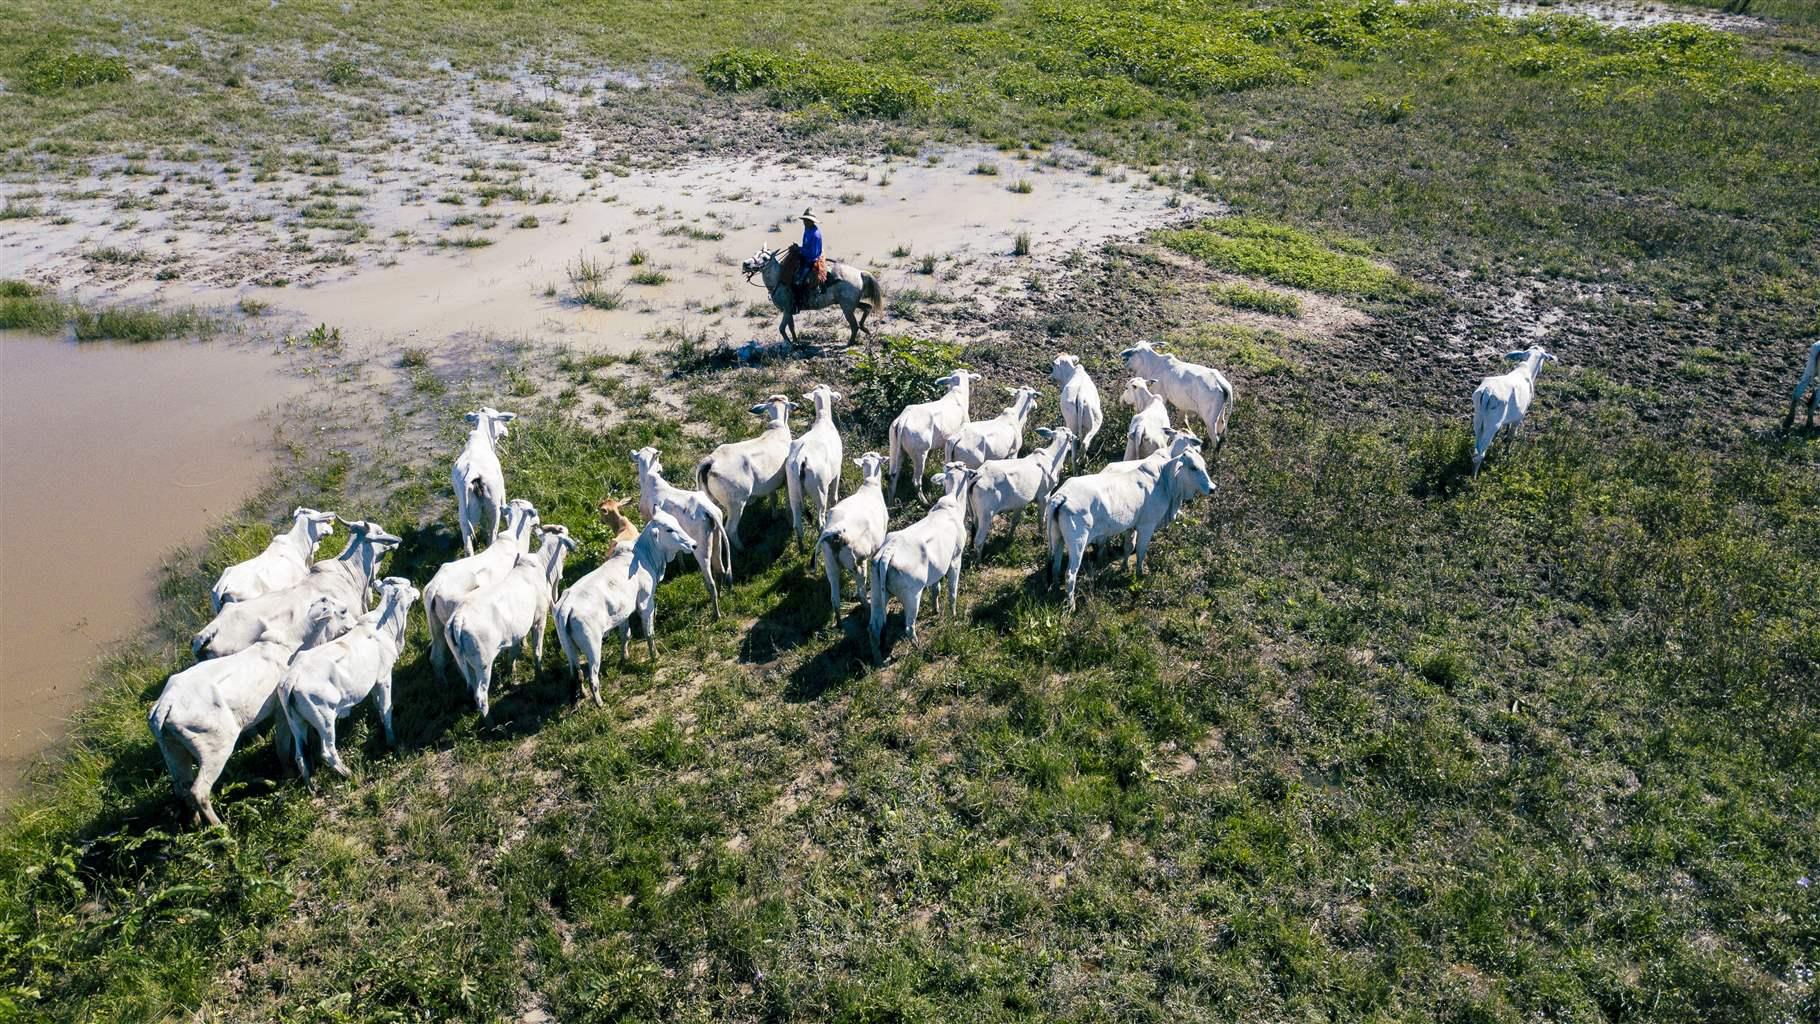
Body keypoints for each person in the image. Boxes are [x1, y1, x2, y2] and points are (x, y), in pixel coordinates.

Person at [795, 208, 823, 304]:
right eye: (804, 220)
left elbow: (813, 254)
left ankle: (802, 299)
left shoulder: (815, 235)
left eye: (807, 220)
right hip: (805, 255)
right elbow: (805, 245)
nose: (804, 222)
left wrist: (800, 249)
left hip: (812, 259)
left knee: (799, 279)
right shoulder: (807, 229)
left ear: (812, 222)